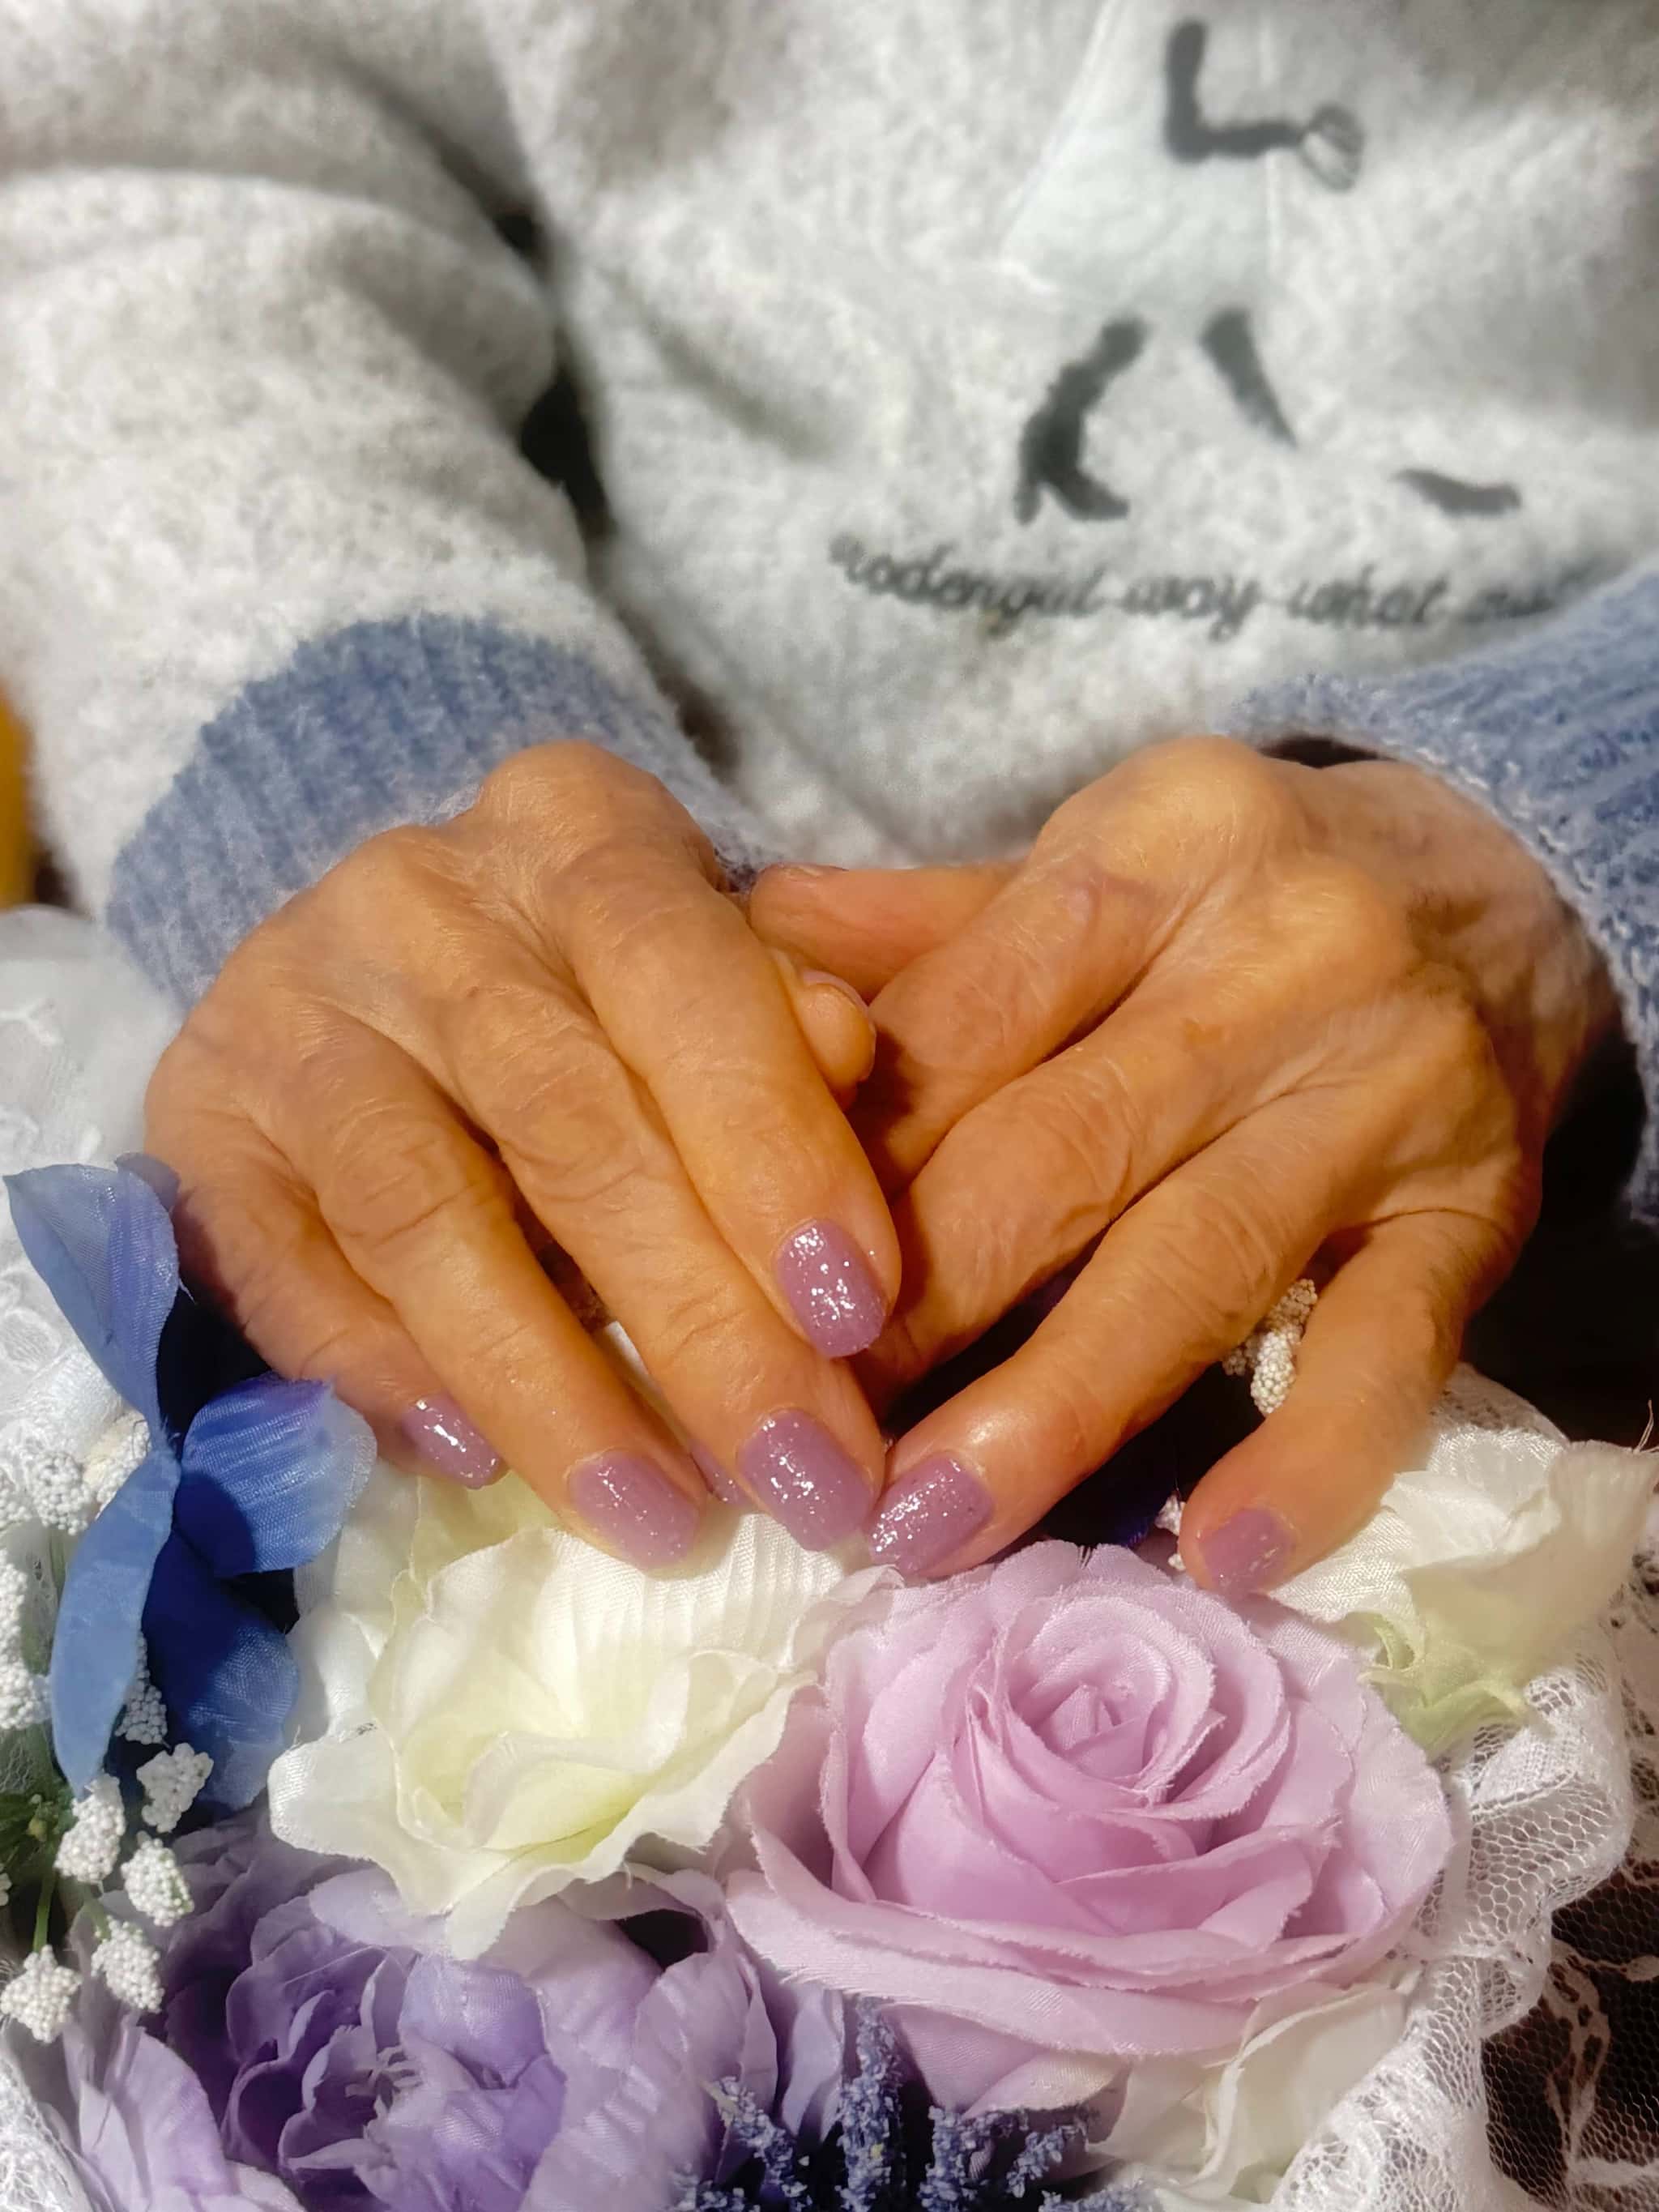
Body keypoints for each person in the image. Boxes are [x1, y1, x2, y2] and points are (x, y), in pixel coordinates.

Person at [1, 1, 1653, 1595]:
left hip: (1552, 1172)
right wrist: (413, 804)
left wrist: (1565, 832)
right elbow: (148, 144)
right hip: (608, 917)